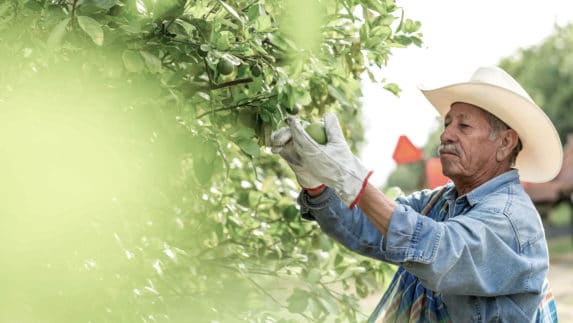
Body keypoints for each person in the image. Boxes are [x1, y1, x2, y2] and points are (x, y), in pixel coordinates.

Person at [270, 66, 562, 322]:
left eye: (464, 125)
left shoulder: (510, 219)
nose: (447, 134)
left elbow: (439, 252)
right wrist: (316, 183)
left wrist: (354, 179)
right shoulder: (440, 203)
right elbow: (367, 226)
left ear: (505, 142)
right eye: (447, 123)